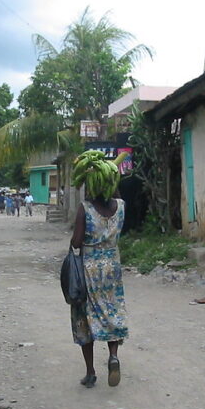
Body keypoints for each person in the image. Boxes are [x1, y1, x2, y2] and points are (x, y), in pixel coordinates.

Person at [70, 150, 128, 388]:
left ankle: (91, 372)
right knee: (111, 312)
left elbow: (76, 241)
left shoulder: (86, 208)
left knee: (85, 317)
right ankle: (113, 356)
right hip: (112, 267)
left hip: (89, 268)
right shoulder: (121, 206)